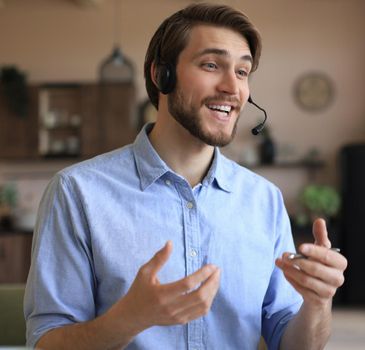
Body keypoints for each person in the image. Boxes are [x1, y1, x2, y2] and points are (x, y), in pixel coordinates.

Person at [24, 3, 348, 349]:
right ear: (161, 74)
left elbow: (292, 342)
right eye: (211, 65)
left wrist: (317, 303)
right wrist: (128, 319)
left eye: (242, 72)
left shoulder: (263, 199)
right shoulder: (77, 193)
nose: (232, 88)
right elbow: (46, 343)